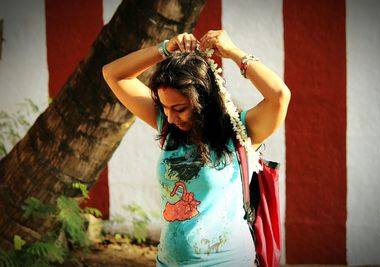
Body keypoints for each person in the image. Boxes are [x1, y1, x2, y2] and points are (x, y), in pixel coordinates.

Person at [102, 30, 290, 267]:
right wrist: (165, 48)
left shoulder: (240, 132)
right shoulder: (170, 129)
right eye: (164, 107)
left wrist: (234, 53)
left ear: (202, 100)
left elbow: (280, 96)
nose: (169, 117)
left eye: (179, 108)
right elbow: (113, 74)